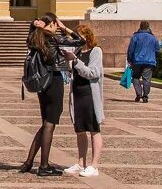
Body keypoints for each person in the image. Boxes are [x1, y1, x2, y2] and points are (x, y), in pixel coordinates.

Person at [19, 12, 85, 177]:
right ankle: (44, 166)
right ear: (52, 24)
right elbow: (80, 41)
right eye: (56, 24)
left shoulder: (35, 38)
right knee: (50, 124)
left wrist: (36, 26)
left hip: (42, 84)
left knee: (45, 124)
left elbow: (32, 33)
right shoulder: (52, 39)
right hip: (53, 81)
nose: (58, 27)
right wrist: (65, 28)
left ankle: (28, 162)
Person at [65, 23, 104, 178]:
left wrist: (75, 61)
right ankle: (81, 163)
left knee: (94, 129)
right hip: (77, 94)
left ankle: (94, 165)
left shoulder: (96, 51)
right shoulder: (78, 51)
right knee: (80, 130)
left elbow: (93, 73)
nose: (77, 40)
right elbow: (73, 72)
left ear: (87, 37)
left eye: (79, 37)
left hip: (90, 95)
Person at [126, 21, 161, 103]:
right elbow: (158, 50)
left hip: (137, 61)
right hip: (149, 62)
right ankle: (145, 96)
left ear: (140, 26)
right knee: (147, 79)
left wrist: (129, 60)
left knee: (135, 77)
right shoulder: (153, 37)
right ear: (148, 27)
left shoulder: (135, 37)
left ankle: (138, 93)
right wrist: (154, 58)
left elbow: (131, 50)